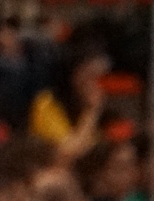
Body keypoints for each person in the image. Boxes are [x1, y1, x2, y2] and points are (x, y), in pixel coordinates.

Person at [26, 25, 109, 164]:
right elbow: (67, 154)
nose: (94, 84)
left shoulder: (103, 110)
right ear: (72, 75)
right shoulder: (46, 103)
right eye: (88, 76)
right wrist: (92, 111)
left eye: (98, 77)